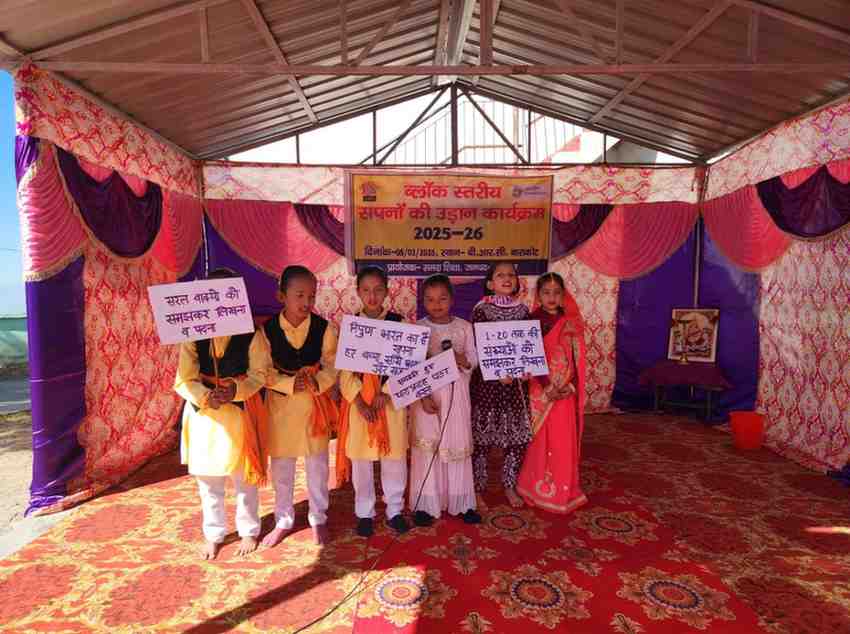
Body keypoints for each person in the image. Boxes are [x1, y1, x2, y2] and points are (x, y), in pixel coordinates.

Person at [174, 267, 266, 560]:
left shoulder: (252, 333)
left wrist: (235, 390)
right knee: (209, 483)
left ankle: (249, 529)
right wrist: (204, 396)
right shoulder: (191, 334)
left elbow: (259, 375)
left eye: (225, 294)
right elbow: (183, 379)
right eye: (210, 295)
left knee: (244, 480)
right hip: (205, 418)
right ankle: (213, 534)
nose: (217, 300)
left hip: (238, 415)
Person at [250, 265, 339, 546]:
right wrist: (288, 384)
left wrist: (318, 381)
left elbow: (333, 365)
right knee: (282, 469)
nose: (306, 302)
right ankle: (283, 519)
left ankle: (318, 517)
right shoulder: (266, 332)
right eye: (299, 295)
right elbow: (260, 371)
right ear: (281, 296)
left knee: (318, 466)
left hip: (314, 408)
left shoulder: (324, 328)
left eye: (311, 296)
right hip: (282, 410)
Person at [338, 265, 410, 537]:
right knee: (362, 461)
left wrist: (387, 391)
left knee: (394, 458)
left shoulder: (399, 324)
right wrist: (359, 403)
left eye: (378, 290)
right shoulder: (351, 326)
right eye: (366, 290)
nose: (372, 296)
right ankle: (364, 512)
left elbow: (408, 365)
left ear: (387, 292)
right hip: (361, 406)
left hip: (389, 403)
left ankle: (394, 510)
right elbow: (345, 373)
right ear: (358, 292)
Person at [409, 275, 481, 526]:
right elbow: (412, 369)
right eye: (430, 299)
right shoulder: (418, 329)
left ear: (451, 299)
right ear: (423, 301)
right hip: (427, 398)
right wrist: (423, 396)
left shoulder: (464, 327)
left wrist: (462, 359)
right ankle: (425, 504)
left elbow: (474, 359)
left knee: (456, 445)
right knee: (428, 446)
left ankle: (462, 503)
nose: (436, 304)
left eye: (442, 298)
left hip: (457, 396)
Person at [517, 272, 587, 514]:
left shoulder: (571, 322)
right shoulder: (531, 320)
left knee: (561, 439)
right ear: (538, 295)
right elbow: (530, 356)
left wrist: (570, 386)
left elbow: (577, 361)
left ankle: (561, 489)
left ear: (563, 295)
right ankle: (534, 487)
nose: (551, 297)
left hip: (564, 391)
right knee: (540, 438)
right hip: (541, 391)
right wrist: (547, 386)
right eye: (546, 292)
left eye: (557, 292)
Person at [470, 262, 532, 508]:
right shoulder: (481, 310)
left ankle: (509, 485)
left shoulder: (524, 310)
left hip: (515, 387)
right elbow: (477, 347)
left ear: (516, 281)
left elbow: (528, 347)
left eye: (511, 275)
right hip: (488, 385)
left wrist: (526, 369)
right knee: (481, 440)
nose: (506, 278)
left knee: (516, 440)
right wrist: (497, 373)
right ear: (490, 283)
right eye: (500, 275)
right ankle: (477, 488)